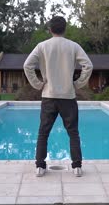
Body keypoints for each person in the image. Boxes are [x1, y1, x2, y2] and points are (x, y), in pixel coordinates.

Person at [23, 16, 93, 177]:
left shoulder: (42, 46)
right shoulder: (73, 46)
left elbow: (27, 65)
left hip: (49, 95)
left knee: (43, 132)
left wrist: (38, 84)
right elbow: (88, 65)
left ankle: (40, 166)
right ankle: (77, 167)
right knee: (73, 132)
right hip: (68, 96)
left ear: (50, 29)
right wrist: (78, 83)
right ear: (65, 29)